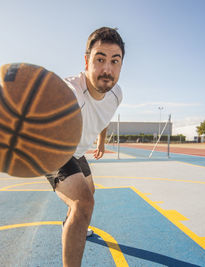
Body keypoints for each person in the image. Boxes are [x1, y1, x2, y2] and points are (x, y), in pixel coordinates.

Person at [45, 27, 124, 267]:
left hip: (77, 151)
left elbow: (104, 118)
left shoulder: (116, 94)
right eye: (100, 59)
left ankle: (72, 222)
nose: (107, 69)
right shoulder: (71, 92)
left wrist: (101, 140)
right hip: (55, 148)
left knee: (91, 192)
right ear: (87, 60)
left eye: (114, 61)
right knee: (83, 203)